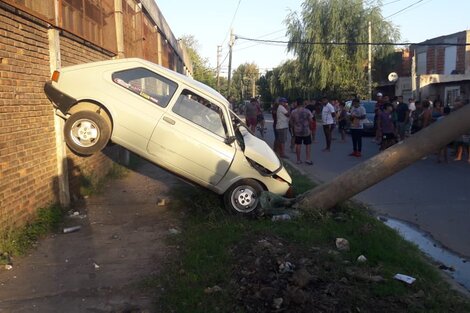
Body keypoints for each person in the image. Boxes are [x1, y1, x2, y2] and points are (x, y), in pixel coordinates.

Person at [290, 99, 313, 165]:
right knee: (308, 145)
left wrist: (293, 128)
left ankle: (298, 160)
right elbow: (311, 120)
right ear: (303, 104)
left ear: (297, 104)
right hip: (306, 131)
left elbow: (291, 122)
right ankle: (308, 159)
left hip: (297, 131)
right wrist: (310, 128)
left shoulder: (293, 112)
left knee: (298, 145)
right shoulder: (307, 111)